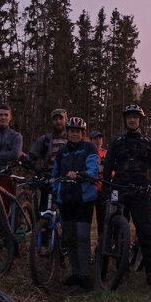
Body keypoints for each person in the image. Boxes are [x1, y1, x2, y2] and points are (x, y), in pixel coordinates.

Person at [102, 104, 151, 286]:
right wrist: (106, 187)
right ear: (125, 119)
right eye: (129, 116)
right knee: (113, 230)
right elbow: (107, 167)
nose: (132, 119)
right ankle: (109, 267)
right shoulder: (116, 141)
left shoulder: (148, 142)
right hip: (119, 188)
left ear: (140, 120)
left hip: (140, 190)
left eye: (136, 117)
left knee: (145, 232)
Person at [52, 117, 99, 290]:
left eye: (77, 132)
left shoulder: (89, 147)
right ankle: (75, 272)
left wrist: (80, 174)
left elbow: (93, 169)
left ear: (82, 133)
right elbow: (56, 173)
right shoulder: (62, 151)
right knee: (70, 237)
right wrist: (55, 191)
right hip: (66, 198)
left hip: (84, 198)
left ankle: (84, 274)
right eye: (71, 131)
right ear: (68, 132)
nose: (74, 134)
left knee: (82, 236)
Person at [27, 109, 69, 209]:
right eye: (55, 119)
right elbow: (31, 156)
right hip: (48, 178)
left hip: (66, 179)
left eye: (60, 118)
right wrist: (36, 169)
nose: (58, 121)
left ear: (66, 120)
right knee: (44, 209)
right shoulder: (45, 139)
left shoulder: (72, 139)